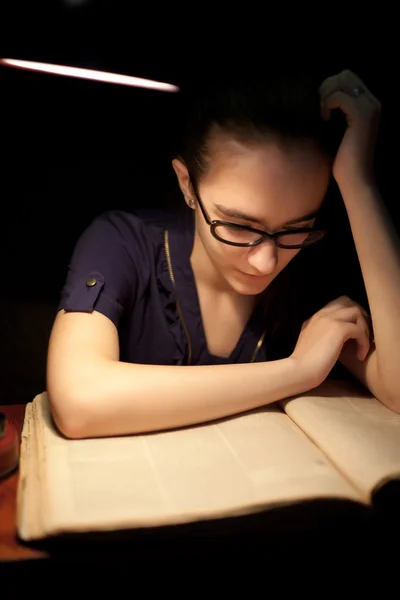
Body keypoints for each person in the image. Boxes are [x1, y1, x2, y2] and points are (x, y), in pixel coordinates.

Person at [47, 69, 400, 439]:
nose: (266, 262)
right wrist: (298, 370)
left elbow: (395, 388)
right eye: (239, 226)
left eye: (296, 228)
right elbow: (79, 401)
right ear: (187, 184)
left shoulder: (309, 267)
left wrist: (358, 182)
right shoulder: (122, 242)